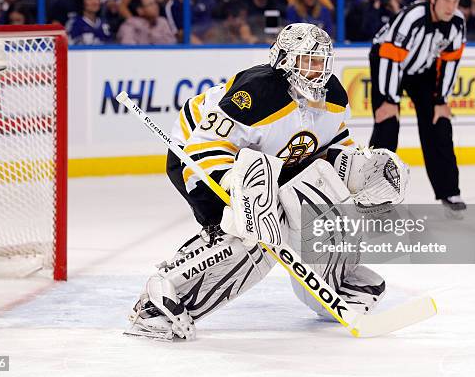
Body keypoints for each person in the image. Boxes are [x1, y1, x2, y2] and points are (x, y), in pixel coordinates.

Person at [124, 23, 408, 341]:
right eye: (307, 61)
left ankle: (332, 280)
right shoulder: (257, 92)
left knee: (322, 200)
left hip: (275, 162)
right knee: (251, 236)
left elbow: (335, 149)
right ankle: (160, 299)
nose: (317, 70)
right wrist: (235, 186)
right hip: (200, 157)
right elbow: (203, 146)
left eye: (321, 61)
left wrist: (360, 170)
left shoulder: (334, 96)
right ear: (284, 60)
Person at [368, 0, 467, 212]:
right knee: (388, 123)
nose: (450, 6)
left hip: (422, 70)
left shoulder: (457, 23)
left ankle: (449, 191)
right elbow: (390, 57)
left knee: (440, 123)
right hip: (387, 62)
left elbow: (450, 63)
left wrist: (441, 100)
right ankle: (372, 190)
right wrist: (390, 100)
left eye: (455, 0)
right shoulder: (413, 17)